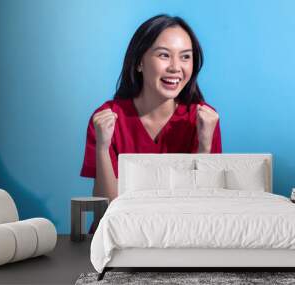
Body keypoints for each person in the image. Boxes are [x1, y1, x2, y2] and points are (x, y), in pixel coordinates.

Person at [80, 14, 222, 204]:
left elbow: (200, 208)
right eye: (164, 55)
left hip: (179, 231)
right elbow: (104, 211)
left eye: (185, 57)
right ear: (139, 62)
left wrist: (204, 147)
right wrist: (103, 149)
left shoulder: (205, 119)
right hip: (120, 230)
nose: (176, 67)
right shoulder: (107, 119)